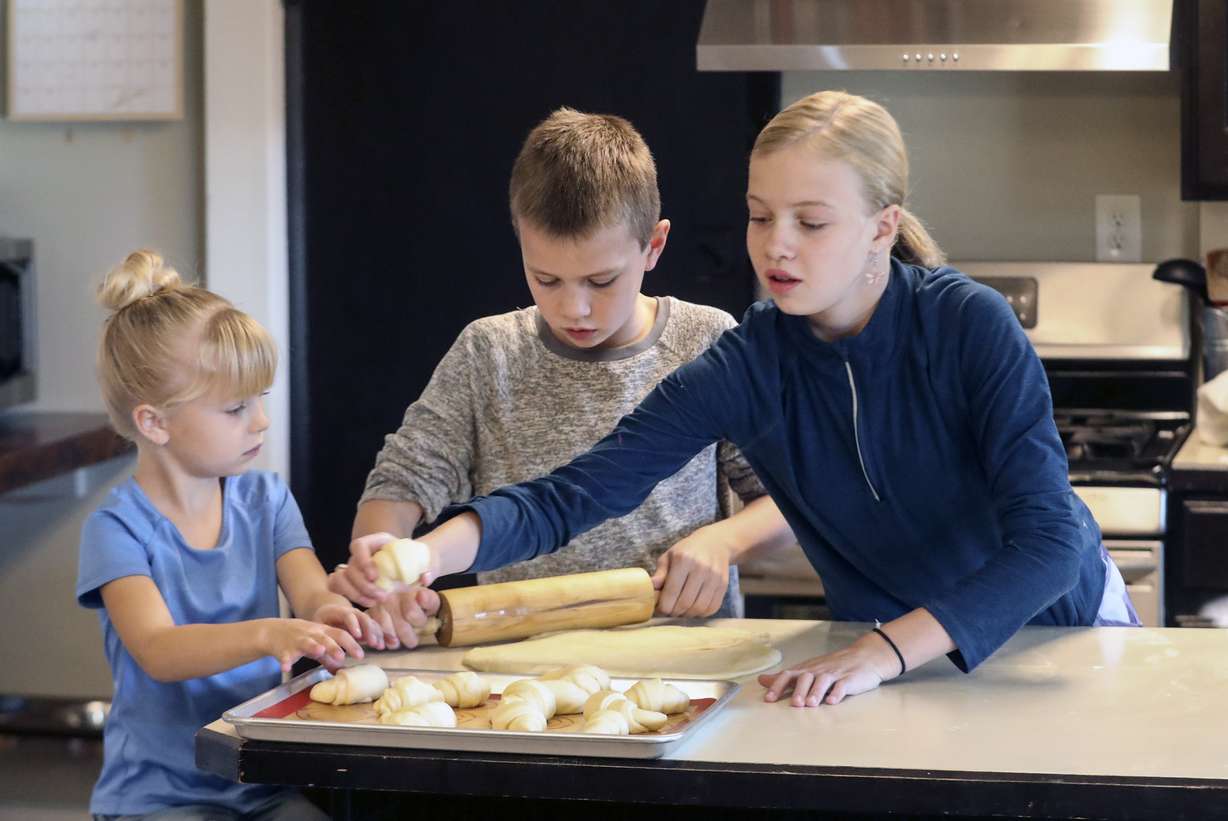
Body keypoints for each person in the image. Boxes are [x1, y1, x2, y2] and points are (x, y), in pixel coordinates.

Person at [339, 90, 1139, 708]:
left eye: (811, 222)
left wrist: (885, 649)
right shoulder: (749, 361)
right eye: (761, 216)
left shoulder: (969, 323)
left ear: (880, 227)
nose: (776, 244)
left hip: (1051, 643)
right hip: (879, 665)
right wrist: (423, 555)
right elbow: (575, 495)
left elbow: (1047, 544)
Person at [330, 107, 796, 647]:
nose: (574, 308)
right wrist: (384, 559)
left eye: (601, 280)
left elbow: (786, 498)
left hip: (686, 656)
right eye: (545, 278)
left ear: (654, 246)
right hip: (518, 665)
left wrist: (726, 543)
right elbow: (405, 478)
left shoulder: (707, 341)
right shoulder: (489, 352)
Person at [77, 250, 380, 820]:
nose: (261, 421)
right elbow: (160, 651)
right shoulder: (115, 529)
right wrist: (269, 635)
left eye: (260, 400)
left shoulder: (266, 499)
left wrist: (332, 615)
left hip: (260, 785)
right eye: (237, 408)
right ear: (155, 422)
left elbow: (311, 593)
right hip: (157, 800)